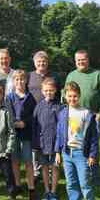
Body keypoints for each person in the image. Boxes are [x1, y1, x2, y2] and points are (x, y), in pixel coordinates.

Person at [55, 81, 99, 200]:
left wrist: (92, 154)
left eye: (75, 96)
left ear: (79, 96)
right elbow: (59, 134)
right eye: (69, 96)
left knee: (85, 183)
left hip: (82, 154)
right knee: (71, 183)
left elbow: (93, 137)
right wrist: (57, 152)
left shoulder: (86, 113)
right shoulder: (62, 113)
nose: (72, 99)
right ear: (65, 96)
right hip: (67, 154)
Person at [65, 50, 100, 185]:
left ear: (88, 59)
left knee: (92, 145)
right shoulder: (71, 75)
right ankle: (80, 174)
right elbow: (65, 94)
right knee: (77, 145)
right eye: (78, 60)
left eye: (83, 59)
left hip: (92, 117)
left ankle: (94, 175)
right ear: (75, 61)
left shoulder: (97, 74)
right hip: (74, 118)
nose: (81, 62)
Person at [5, 70, 40, 200]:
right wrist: (14, 122)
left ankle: (31, 189)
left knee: (28, 162)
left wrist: (24, 122)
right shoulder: (9, 97)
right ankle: (18, 185)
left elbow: (33, 115)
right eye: (17, 80)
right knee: (15, 161)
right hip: (13, 134)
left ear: (26, 81)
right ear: (13, 82)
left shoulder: (30, 97)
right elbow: (8, 112)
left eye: (21, 79)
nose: (19, 82)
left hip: (26, 134)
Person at [27, 50, 61, 180]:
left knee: (50, 142)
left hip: (51, 113)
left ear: (47, 62)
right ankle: (37, 172)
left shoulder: (54, 77)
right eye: (39, 61)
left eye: (44, 61)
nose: (41, 63)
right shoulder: (29, 76)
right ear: (35, 63)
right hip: (33, 114)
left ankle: (51, 170)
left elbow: (58, 96)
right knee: (36, 144)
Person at [32, 78, 62, 200]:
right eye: (46, 90)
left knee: (55, 167)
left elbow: (62, 128)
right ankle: (46, 190)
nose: (48, 92)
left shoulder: (59, 107)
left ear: (55, 91)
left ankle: (54, 192)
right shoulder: (38, 106)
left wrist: (59, 146)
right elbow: (34, 126)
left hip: (55, 144)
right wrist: (35, 144)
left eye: (51, 90)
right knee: (44, 167)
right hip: (42, 144)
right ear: (42, 91)